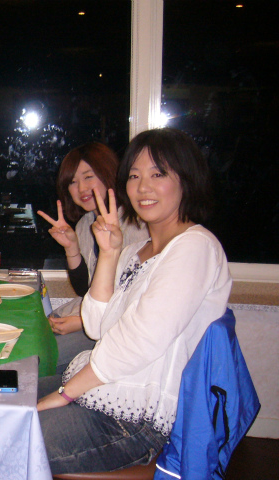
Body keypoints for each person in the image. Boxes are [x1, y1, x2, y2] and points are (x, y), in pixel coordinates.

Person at [37, 128, 232, 474]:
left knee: (5, 433)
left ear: (186, 180)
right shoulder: (135, 251)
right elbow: (97, 325)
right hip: (104, 388)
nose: (143, 187)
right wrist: (110, 253)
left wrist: (66, 393)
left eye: (158, 174)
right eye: (134, 176)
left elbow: (139, 340)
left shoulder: (194, 247)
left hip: (136, 418)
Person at [37, 142, 148, 373]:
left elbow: (135, 301)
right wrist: (72, 248)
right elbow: (84, 290)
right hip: (88, 315)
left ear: (109, 174)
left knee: (39, 357)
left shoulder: (136, 225)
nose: (81, 188)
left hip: (114, 330)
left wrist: (81, 322)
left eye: (89, 177)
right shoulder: (86, 223)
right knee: (31, 335)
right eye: (72, 182)